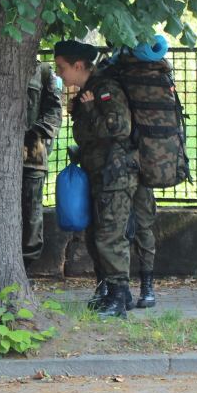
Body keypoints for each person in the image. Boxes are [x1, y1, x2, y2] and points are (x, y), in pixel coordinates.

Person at [54, 40, 135, 319]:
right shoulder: (88, 91)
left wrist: (89, 111)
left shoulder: (104, 89)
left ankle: (119, 298)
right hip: (98, 173)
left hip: (115, 174)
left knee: (110, 235)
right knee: (95, 234)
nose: (59, 73)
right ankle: (108, 291)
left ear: (78, 65)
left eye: (61, 67)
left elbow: (120, 129)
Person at [22, 58, 63, 271]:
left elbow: (54, 115)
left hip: (32, 157)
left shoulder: (43, 71)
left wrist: (32, 133)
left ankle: (26, 265)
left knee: (31, 214)